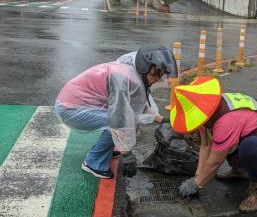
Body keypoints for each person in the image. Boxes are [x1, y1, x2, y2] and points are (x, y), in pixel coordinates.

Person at [170, 77, 257, 213]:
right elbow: (205, 145)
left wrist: (196, 185)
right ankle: (240, 171)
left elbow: (215, 161)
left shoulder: (226, 120)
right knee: (226, 142)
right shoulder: (208, 108)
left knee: (248, 147)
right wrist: (198, 174)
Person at [55, 44, 177, 179]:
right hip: (70, 108)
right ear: (145, 68)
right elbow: (119, 118)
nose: (156, 79)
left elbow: (142, 100)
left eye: (159, 75)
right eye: (154, 75)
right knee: (116, 123)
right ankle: (93, 162)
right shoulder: (124, 78)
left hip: (80, 103)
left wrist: (159, 118)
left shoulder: (134, 69)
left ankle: (105, 151)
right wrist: (126, 153)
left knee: (125, 121)